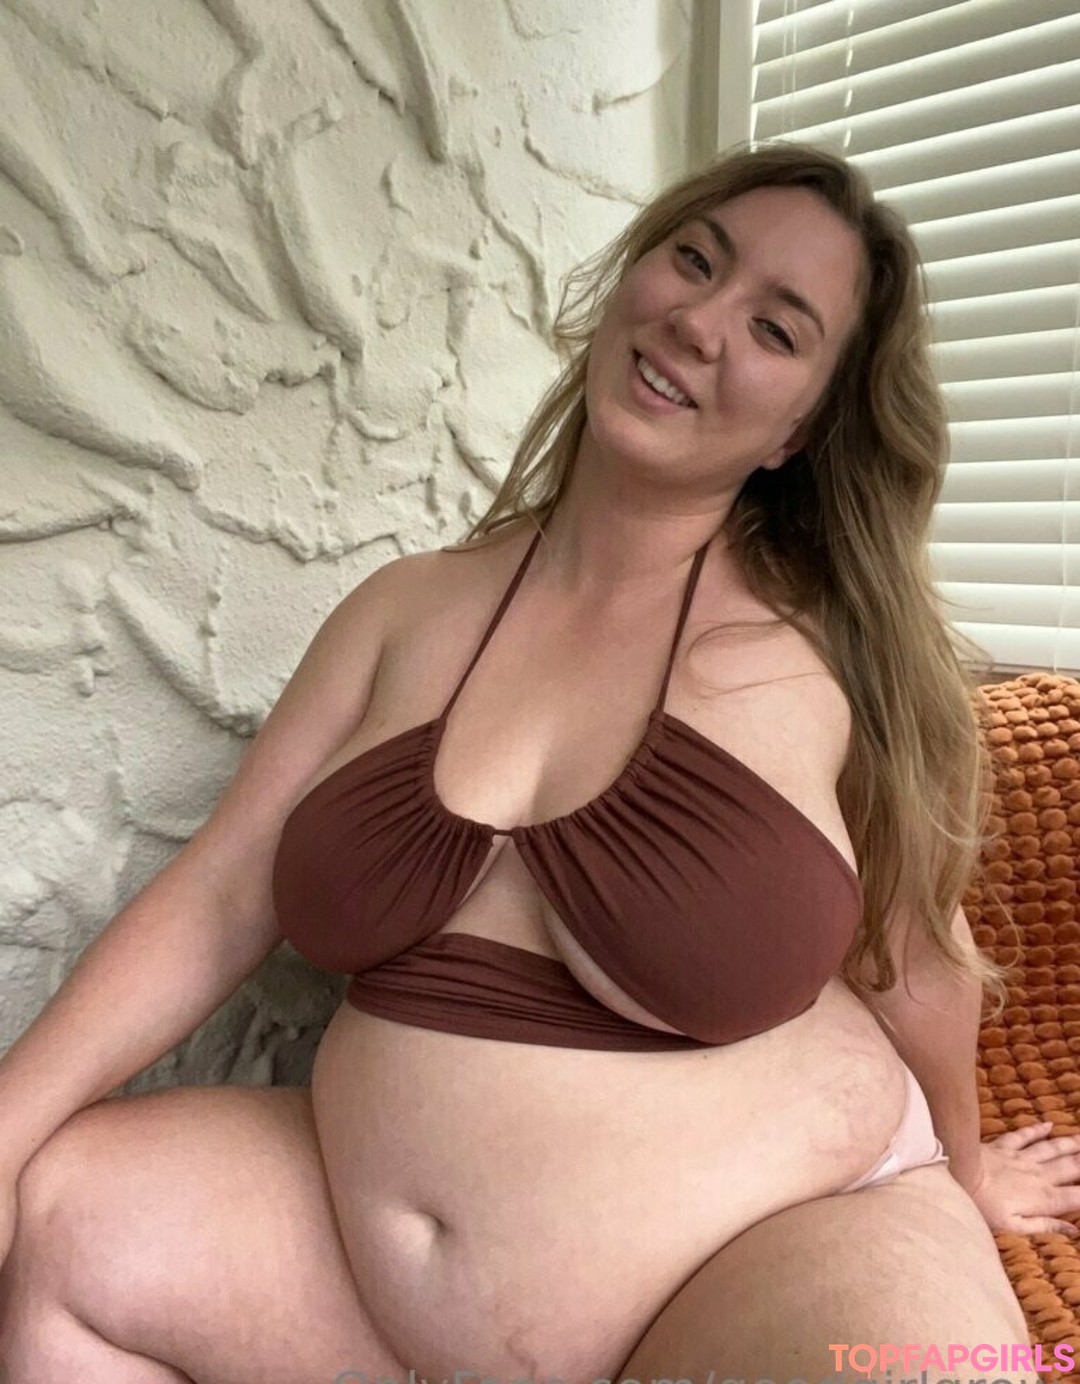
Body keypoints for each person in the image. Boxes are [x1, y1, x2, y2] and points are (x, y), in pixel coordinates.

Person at [0, 139, 1077, 1384]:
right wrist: (7, 1127)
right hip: (368, 1279)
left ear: (801, 429)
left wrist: (968, 1162)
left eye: (776, 329)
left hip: (771, 1247)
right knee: (72, 1216)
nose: (701, 323)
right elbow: (224, 890)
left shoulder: (833, 657)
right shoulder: (403, 610)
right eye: (695, 261)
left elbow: (916, 959)